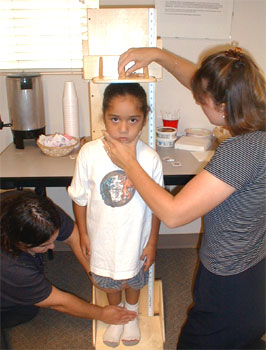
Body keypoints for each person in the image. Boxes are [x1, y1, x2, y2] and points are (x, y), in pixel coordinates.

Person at [102, 47, 266, 349]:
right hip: (254, 270)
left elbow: (174, 214)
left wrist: (129, 162)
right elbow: (203, 83)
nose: (197, 100)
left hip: (229, 283)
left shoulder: (241, 151)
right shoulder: (258, 117)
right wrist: (158, 55)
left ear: (223, 104)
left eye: (201, 99)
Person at [68, 83, 163, 347]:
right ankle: (117, 313)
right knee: (108, 280)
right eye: (115, 119)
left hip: (136, 238)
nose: (123, 129)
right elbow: (79, 197)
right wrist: (83, 234)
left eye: (132, 120)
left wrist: (152, 241)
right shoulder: (89, 153)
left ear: (144, 118)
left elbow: (158, 206)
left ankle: (130, 314)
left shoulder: (151, 158)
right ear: (105, 118)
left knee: (134, 277)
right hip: (102, 238)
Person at [0, 190, 136, 349]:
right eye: (44, 245)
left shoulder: (35, 212)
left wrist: (93, 272)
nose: (53, 247)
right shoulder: (12, 268)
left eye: (52, 240)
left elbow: (73, 236)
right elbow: (58, 302)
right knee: (27, 310)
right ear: (19, 243)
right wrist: (101, 314)